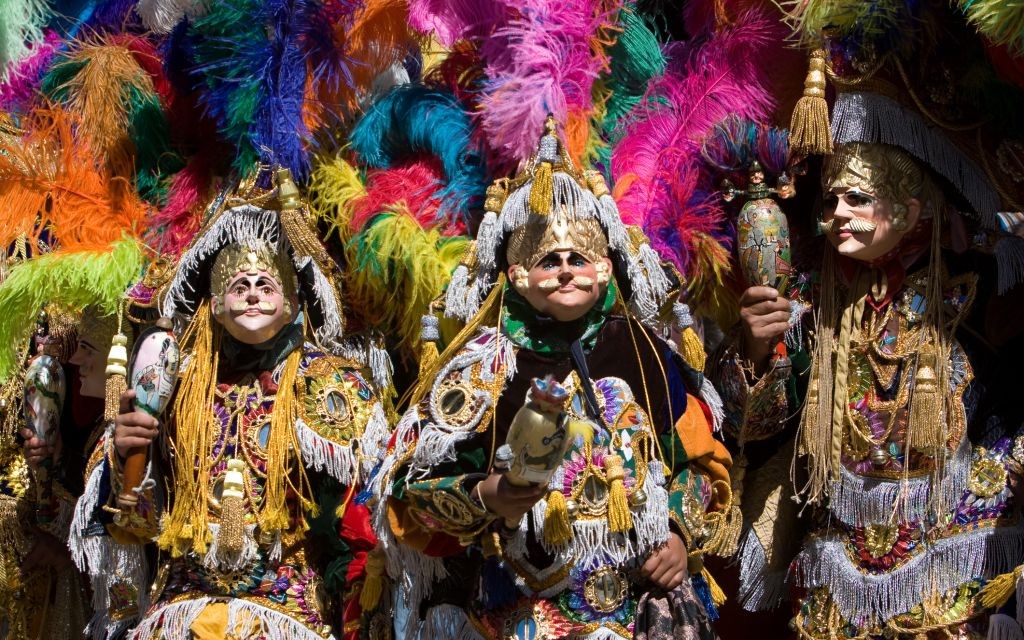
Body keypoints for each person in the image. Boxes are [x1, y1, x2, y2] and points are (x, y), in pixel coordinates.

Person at [713, 13, 1024, 636]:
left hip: (948, 548)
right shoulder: (814, 300)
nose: (838, 214)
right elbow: (763, 426)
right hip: (837, 558)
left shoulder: (971, 283)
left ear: (909, 209)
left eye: (857, 198)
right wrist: (756, 348)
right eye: (830, 201)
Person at [372, 117, 736, 639]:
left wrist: (678, 535)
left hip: (638, 609)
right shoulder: (481, 365)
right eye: (549, 260)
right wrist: (485, 496)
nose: (566, 270)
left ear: (605, 269)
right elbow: (408, 496)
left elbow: (701, 465)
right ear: (518, 275)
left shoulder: (645, 351)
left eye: (578, 258)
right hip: (521, 609)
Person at [73, 170, 393, 639]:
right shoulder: (176, 383)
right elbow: (131, 527)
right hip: (185, 605)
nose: (251, 295)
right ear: (215, 304)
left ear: (290, 304)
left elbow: (356, 520)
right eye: (238, 285)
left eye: (266, 285)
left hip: (285, 609)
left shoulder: (328, 382)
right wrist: (125, 456)